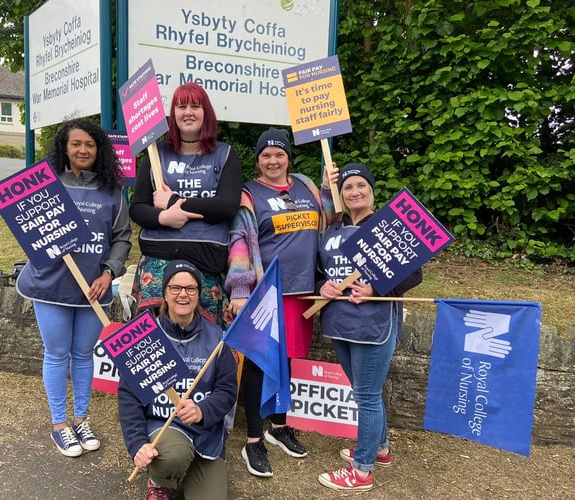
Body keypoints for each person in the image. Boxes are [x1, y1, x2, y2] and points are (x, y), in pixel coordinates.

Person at [16, 118, 132, 457]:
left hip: (93, 290)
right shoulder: (44, 185)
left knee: (83, 355)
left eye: (90, 145)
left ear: (100, 150)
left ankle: (81, 419)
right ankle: (60, 425)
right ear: (64, 148)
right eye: (76, 144)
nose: (83, 150)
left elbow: (122, 238)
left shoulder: (113, 190)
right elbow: (27, 228)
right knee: (56, 354)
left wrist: (109, 273)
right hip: (50, 285)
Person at [225, 127, 335, 477]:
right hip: (266, 293)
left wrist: (332, 189)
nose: (273, 160)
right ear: (258, 161)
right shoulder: (249, 194)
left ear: (289, 157)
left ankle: (279, 426)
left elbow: (331, 219)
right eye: (266, 155)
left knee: (287, 361)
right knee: (260, 363)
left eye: (279, 154)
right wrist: (240, 290)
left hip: (303, 291)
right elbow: (239, 240)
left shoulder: (306, 186)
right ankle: (253, 440)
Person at [316, 163, 422, 492]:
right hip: (339, 322)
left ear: (372, 191)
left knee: (367, 396)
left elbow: (414, 274)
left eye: (361, 185)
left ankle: (361, 471)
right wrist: (323, 286)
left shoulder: (387, 227)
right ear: (341, 195)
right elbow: (319, 269)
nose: (355, 192)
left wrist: (377, 290)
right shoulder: (332, 230)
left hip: (373, 323)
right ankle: (380, 448)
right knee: (364, 393)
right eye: (348, 187)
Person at [118, 260, 238, 500]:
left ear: (198, 295)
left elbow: (227, 391)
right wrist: (137, 444)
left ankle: (190, 466)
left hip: (205, 435)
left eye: (190, 288)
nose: (183, 294)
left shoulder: (218, 338)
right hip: (164, 429)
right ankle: (160, 480)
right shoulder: (144, 336)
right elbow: (128, 397)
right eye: (175, 288)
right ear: (164, 293)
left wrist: (202, 410)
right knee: (172, 458)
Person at [130, 82, 242, 326]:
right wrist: (163, 218)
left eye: (195, 106)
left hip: (207, 259)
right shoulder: (155, 154)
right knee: (154, 339)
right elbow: (137, 207)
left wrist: (173, 202)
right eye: (181, 106)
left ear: (206, 113)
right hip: (158, 258)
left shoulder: (225, 154)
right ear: (173, 114)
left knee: (205, 339)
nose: (188, 112)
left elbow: (226, 206)